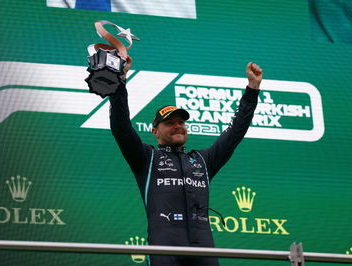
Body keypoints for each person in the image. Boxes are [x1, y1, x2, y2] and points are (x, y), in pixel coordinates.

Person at [109, 60, 262, 266]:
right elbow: (121, 127)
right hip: (164, 244)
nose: (178, 126)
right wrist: (120, 83)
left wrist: (252, 90)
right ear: (155, 132)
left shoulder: (202, 160)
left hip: (203, 245)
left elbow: (235, 132)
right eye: (170, 123)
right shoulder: (147, 158)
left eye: (181, 122)